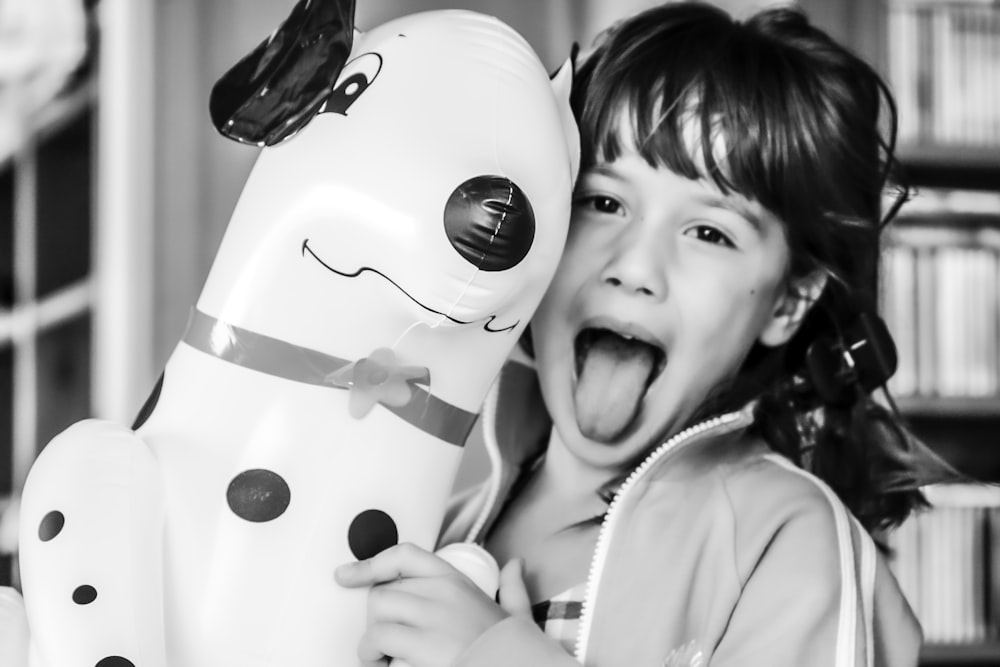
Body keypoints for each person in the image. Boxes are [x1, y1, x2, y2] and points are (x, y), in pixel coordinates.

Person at [334, 2, 961, 665]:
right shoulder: (440, 520)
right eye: (604, 202)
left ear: (789, 300)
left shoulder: (789, 537)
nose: (635, 267)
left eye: (710, 232)